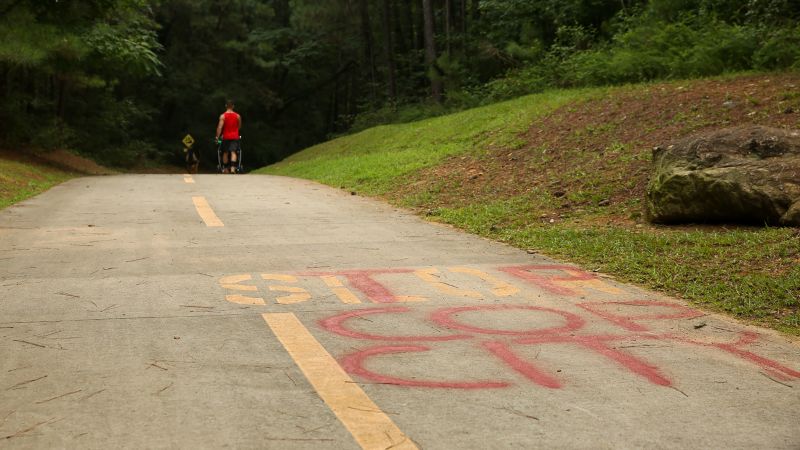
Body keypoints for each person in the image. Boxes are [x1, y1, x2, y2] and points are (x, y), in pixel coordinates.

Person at [215, 100, 242, 174]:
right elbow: (239, 126)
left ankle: (226, 169)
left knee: (225, 152)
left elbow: (220, 127)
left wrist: (217, 137)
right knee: (233, 152)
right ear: (233, 106)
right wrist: (235, 131)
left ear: (226, 106)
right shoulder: (237, 116)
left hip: (226, 137)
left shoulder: (223, 116)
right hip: (235, 136)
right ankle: (233, 169)